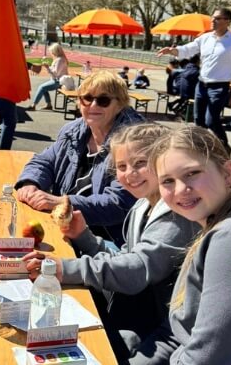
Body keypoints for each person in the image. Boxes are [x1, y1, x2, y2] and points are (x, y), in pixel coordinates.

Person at [23, 124, 200, 362]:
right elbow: (125, 256)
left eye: (140, 163)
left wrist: (65, 269)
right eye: (121, 167)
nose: (130, 174)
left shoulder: (175, 216)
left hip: (159, 334)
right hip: (132, 315)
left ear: (164, 162)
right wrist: (83, 236)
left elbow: (136, 271)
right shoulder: (143, 204)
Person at [130, 126, 231, 365]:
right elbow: (182, 335)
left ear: (227, 173)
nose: (181, 189)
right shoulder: (222, 225)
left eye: (192, 173)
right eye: (168, 181)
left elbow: (207, 359)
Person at [16, 72, 143, 247]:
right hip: (65, 225)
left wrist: (62, 202)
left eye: (103, 100)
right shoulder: (73, 131)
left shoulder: (133, 142)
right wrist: (30, 184)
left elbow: (118, 203)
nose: (93, 105)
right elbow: (45, 160)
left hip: (109, 241)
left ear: (120, 105)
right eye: (87, 98)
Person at [157, 8, 231, 153]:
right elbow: (187, 49)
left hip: (219, 87)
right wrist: (171, 50)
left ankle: (224, 149)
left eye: (217, 18)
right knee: (198, 120)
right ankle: (202, 151)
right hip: (201, 85)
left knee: (211, 120)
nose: (213, 21)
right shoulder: (205, 38)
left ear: (227, 21)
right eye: (213, 18)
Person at [26, 43, 69, 111]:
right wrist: (48, 67)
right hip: (57, 80)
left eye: (52, 51)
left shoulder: (60, 60)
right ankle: (48, 104)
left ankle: (33, 105)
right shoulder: (60, 59)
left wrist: (47, 68)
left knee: (42, 87)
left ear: (56, 51)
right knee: (43, 88)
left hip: (59, 81)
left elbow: (55, 74)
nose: (51, 53)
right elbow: (55, 71)